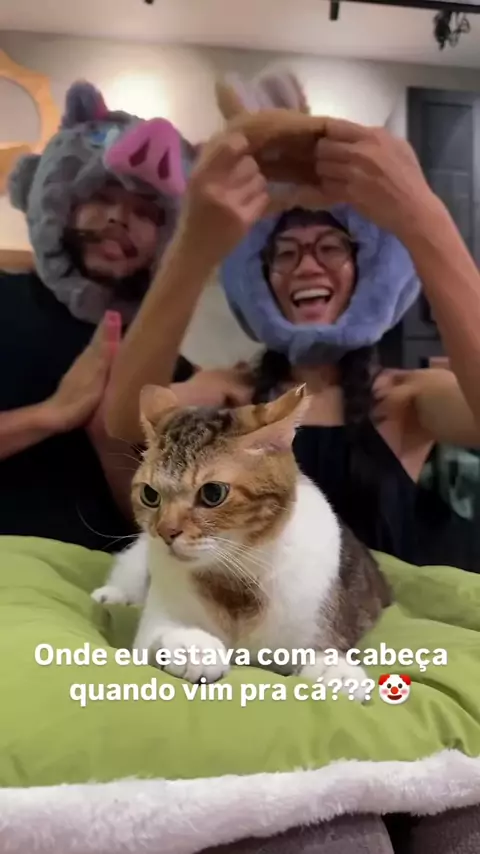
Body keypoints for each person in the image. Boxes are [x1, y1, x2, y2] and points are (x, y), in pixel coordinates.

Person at [105, 123, 480, 571]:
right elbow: (124, 420)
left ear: (366, 271)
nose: (307, 266)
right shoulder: (231, 395)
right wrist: (194, 244)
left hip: (381, 615)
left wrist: (424, 218)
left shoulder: (407, 398)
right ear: (261, 281)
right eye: (284, 253)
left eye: (331, 248)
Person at [0, 81, 195, 552]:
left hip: (101, 582)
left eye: (145, 212)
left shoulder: (170, 365)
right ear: (63, 203)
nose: (119, 219)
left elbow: (164, 529)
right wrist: (50, 415)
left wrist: (111, 443)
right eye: (103, 197)